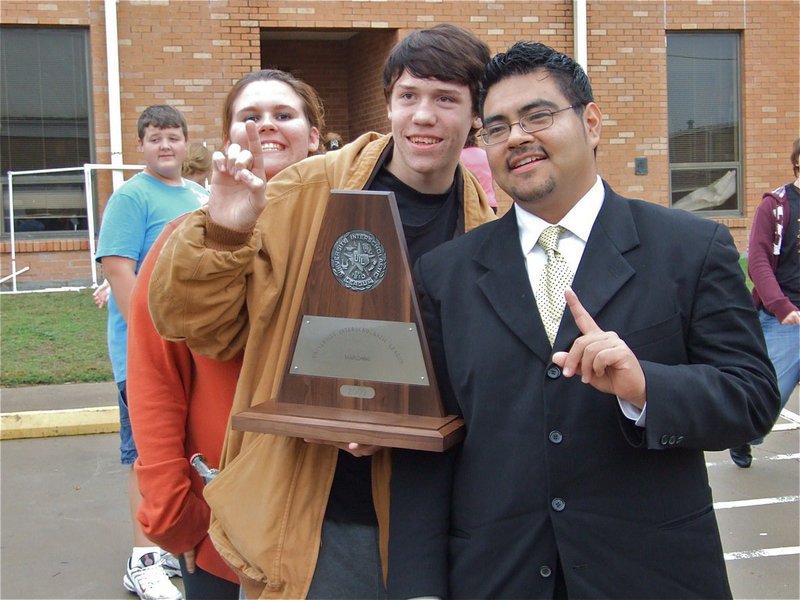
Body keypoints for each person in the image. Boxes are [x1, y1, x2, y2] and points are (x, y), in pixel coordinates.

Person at [386, 41, 780, 599]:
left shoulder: (689, 248)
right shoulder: (446, 274)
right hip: (497, 576)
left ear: (591, 122)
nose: (517, 137)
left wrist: (647, 387)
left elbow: (753, 398)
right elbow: (432, 444)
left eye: (538, 116)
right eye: (495, 128)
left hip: (650, 575)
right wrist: (417, 588)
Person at [147, 24, 495, 599]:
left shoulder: (486, 223)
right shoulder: (305, 192)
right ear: (388, 105)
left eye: (446, 99)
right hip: (315, 513)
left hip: (436, 517)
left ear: (475, 116)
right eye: (408, 97)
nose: (423, 116)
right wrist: (224, 234)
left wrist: (397, 420)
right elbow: (199, 328)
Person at [127, 69, 326, 600]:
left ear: (315, 136)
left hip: (328, 520)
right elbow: (154, 383)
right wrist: (174, 512)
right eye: (250, 116)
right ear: (228, 140)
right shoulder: (182, 242)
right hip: (220, 523)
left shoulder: (349, 235)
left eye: (284, 115)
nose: (267, 126)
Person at [94, 104, 208, 600]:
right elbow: (119, 271)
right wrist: (151, 342)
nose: (166, 146)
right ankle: (142, 561)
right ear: (142, 145)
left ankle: (166, 543)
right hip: (146, 357)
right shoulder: (129, 198)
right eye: (156, 138)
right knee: (149, 454)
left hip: (195, 353)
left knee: (187, 452)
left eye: (174, 137)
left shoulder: (201, 195)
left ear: (186, 144)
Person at [729, 137, 800, 468]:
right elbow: (757, 263)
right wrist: (782, 307)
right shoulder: (775, 206)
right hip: (784, 317)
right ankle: (744, 436)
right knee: (768, 398)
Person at [460, 130, 497, 211]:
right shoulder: (486, 155)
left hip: (471, 204)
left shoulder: (459, 157)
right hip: (490, 203)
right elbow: (492, 181)